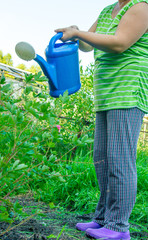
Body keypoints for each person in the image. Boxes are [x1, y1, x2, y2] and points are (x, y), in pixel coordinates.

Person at [55, 0, 148, 239]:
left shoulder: (141, 7)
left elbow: (119, 43)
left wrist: (78, 33)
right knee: (103, 159)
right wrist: (77, 32)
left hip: (127, 91)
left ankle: (118, 227)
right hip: (106, 93)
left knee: (120, 161)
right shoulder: (108, 10)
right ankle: (102, 219)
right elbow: (87, 44)